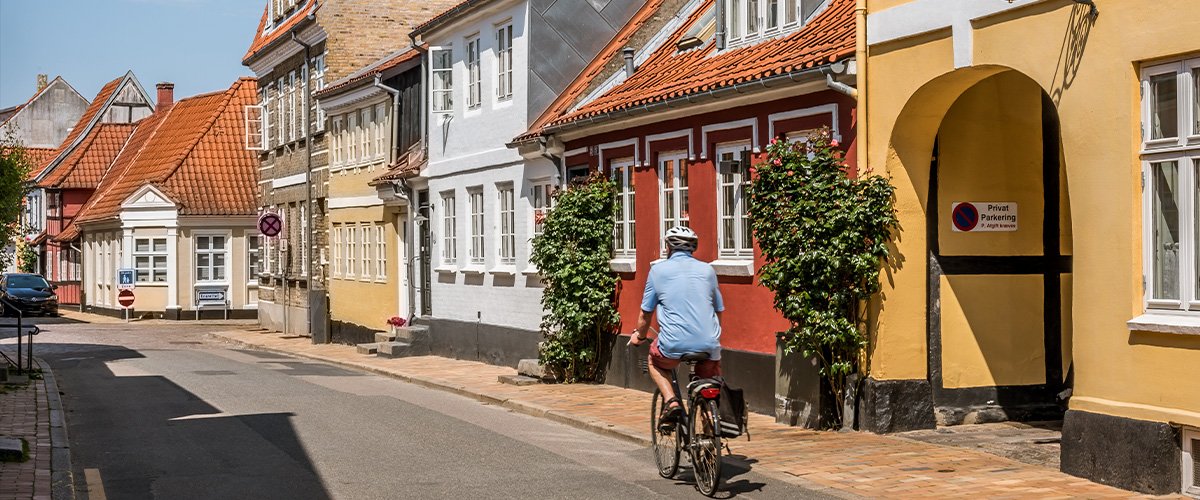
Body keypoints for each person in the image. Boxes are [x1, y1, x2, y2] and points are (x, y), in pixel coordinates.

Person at [628, 225, 724, 426]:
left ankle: (672, 402)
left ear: (668, 247)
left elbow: (646, 314)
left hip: (672, 346)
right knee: (709, 381)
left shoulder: (658, 271)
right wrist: (714, 338)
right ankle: (709, 433)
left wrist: (640, 336)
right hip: (708, 345)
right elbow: (718, 309)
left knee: (654, 362)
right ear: (693, 248)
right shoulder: (708, 270)